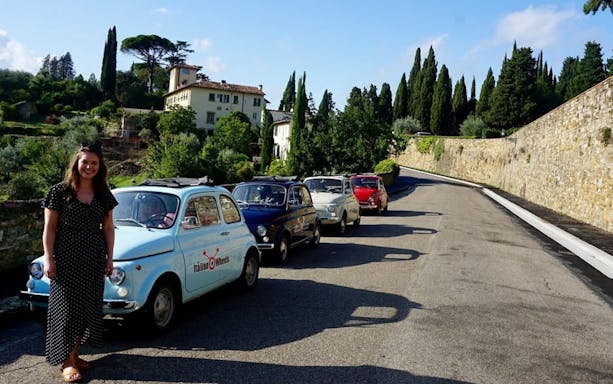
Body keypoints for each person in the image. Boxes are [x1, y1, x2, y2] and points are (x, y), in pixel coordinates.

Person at [42, 143, 118, 383]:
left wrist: (110, 257)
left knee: (86, 309)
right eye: (85, 161)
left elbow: (107, 228)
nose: (89, 166)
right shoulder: (59, 191)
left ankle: (74, 356)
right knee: (66, 310)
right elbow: (49, 229)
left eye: (94, 163)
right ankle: (66, 361)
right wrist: (48, 258)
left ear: (100, 166)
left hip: (93, 258)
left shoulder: (103, 193)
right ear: (76, 163)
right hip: (66, 257)